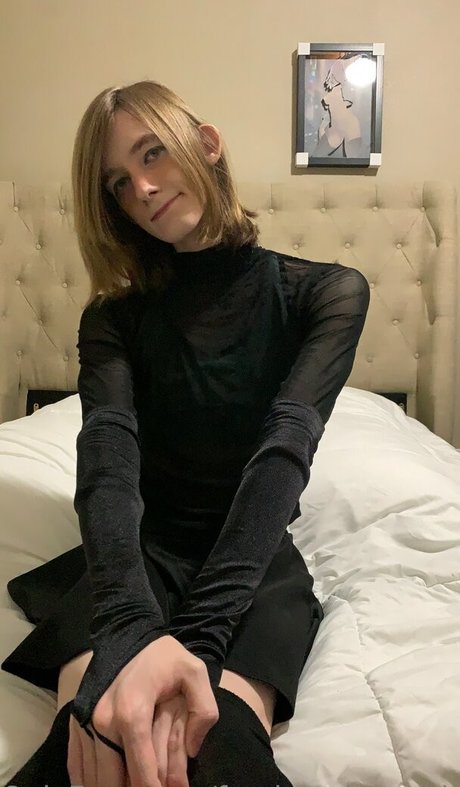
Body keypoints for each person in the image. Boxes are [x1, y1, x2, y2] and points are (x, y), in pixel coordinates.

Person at [2, 79, 370, 787]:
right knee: (93, 737)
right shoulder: (112, 320)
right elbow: (107, 459)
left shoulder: (326, 293)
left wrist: (199, 639)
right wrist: (128, 623)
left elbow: (283, 450)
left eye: (152, 153)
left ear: (206, 144)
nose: (141, 188)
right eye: (118, 183)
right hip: (133, 558)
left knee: (219, 743)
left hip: (252, 557)